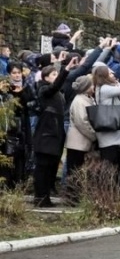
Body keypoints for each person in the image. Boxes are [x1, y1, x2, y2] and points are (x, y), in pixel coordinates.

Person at [32, 55, 78, 206]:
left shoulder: (58, 93)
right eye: (53, 74)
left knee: (51, 168)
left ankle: (46, 197)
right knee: (43, 168)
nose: (56, 77)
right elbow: (55, 86)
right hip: (46, 136)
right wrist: (65, 69)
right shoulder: (44, 89)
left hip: (56, 136)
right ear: (45, 77)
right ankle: (40, 198)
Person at [92, 63, 120, 171]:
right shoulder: (104, 89)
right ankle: (105, 186)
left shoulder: (108, 87)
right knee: (109, 164)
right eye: (110, 74)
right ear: (104, 77)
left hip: (114, 132)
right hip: (109, 133)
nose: (113, 75)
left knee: (116, 163)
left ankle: (113, 186)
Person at [0, 62, 34, 188]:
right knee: (8, 155)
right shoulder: (5, 88)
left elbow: (31, 103)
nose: (17, 76)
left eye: (18, 73)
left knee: (21, 155)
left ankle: (18, 183)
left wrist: (21, 93)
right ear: (9, 74)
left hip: (23, 125)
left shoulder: (26, 87)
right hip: (8, 126)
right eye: (14, 73)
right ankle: (7, 184)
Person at [64, 75, 96, 202]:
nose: (93, 87)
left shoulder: (87, 99)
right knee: (74, 170)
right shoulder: (79, 101)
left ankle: (76, 195)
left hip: (83, 141)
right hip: (78, 142)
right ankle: (72, 197)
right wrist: (94, 135)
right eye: (91, 85)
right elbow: (81, 122)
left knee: (78, 169)